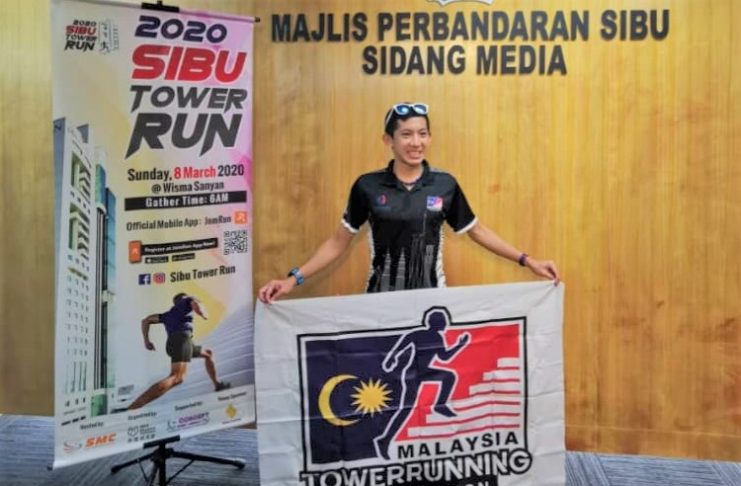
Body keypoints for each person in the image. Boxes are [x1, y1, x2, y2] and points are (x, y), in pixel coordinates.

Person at [258, 102, 559, 303]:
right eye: (406, 135)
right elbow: (338, 243)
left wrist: (528, 260)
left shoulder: (444, 184)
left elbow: (478, 231)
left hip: (432, 303)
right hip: (379, 304)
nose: (416, 142)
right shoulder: (367, 186)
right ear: (388, 140)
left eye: (422, 134)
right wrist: (292, 280)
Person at [375, 306, 469, 459]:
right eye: (444, 321)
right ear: (435, 323)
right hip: (412, 373)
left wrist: (459, 345)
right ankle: (385, 440)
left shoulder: (438, 338)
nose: (446, 323)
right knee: (406, 409)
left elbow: (444, 358)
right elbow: (402, 344)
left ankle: (440, 405)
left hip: (425, 372)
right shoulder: (418, 333)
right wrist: (391, 358)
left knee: (448, 376)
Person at [128, 293, 230, 410]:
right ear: (183, 298)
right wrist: (203, 314)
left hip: (173, 344)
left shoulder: (167, 315)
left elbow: (145, 321)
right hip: (182, 339)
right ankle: (133, 407)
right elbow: (195, 304)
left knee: (208, 353)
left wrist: (147, 341)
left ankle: (217, 385)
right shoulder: (186, 300)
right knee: (177, 377)